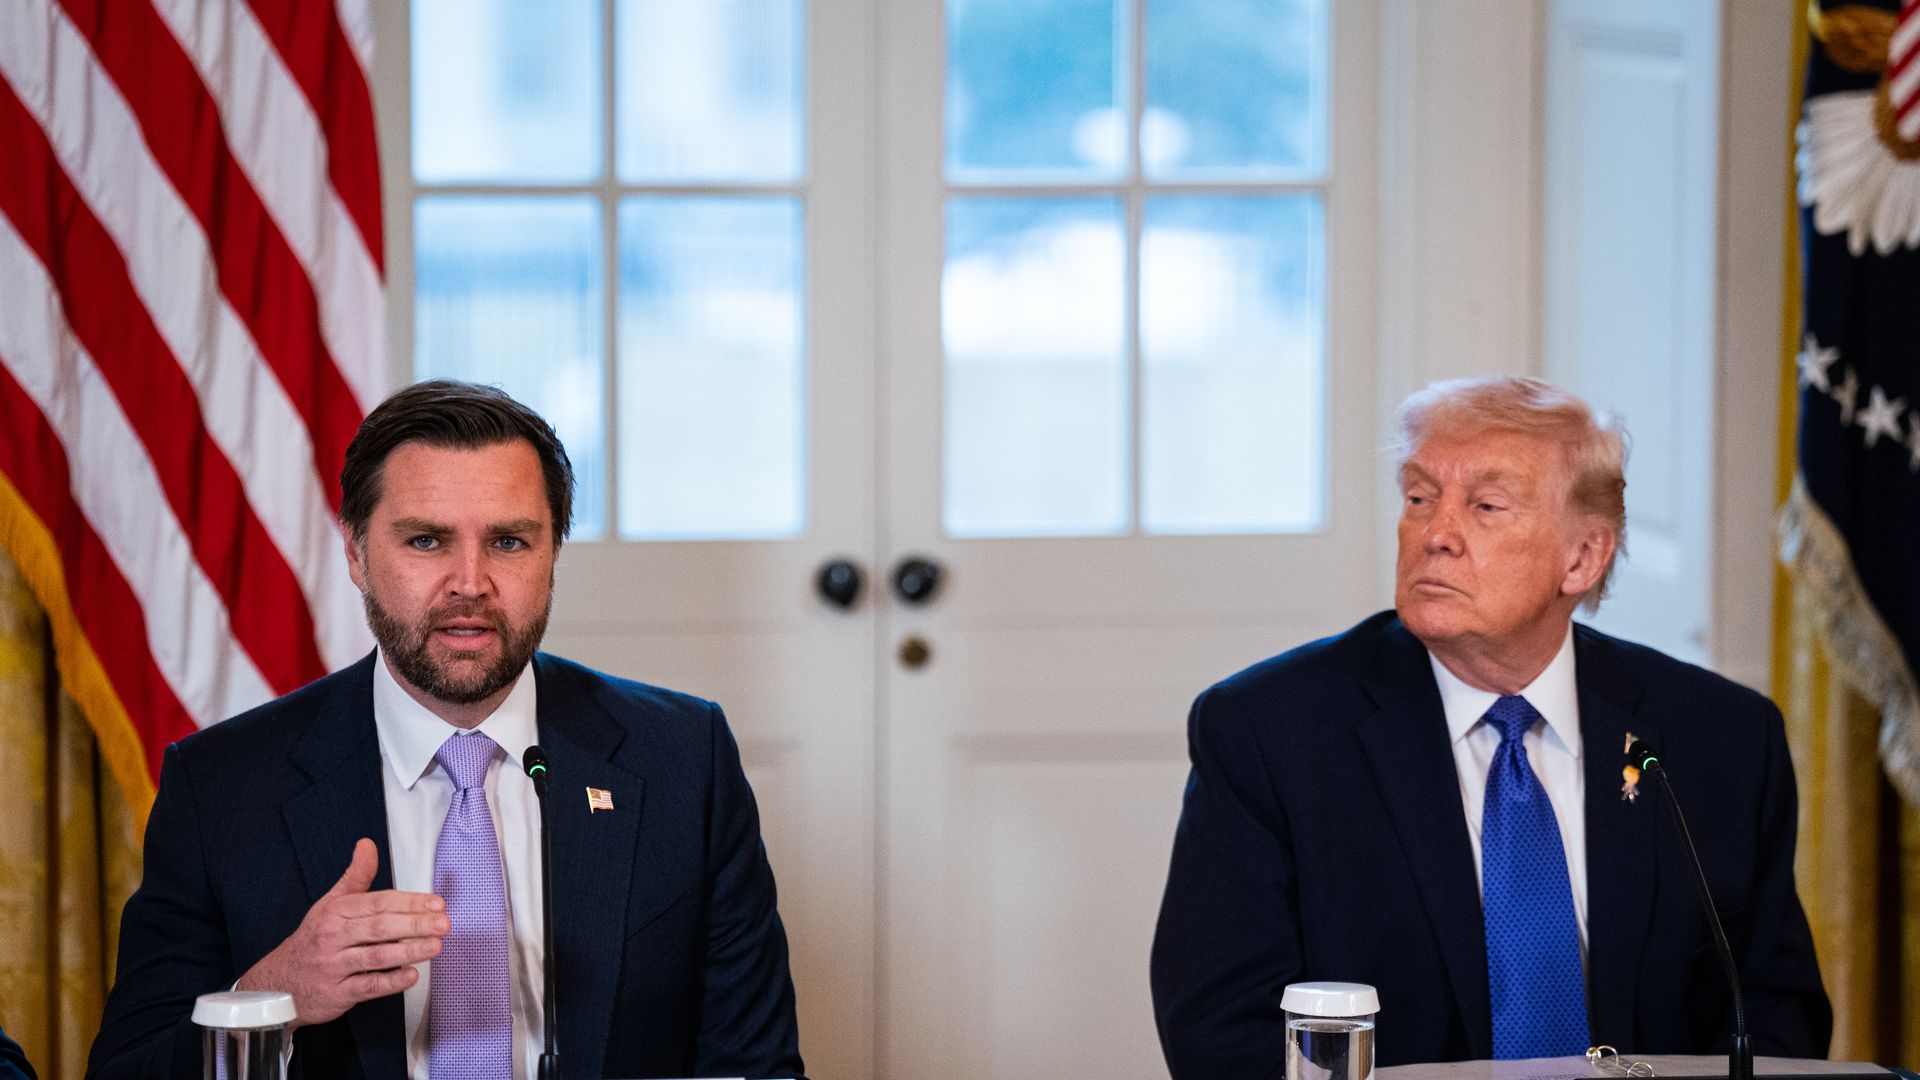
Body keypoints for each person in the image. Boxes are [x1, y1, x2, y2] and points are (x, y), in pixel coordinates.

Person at [88, 380, 805, 1080]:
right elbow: (126, 1069)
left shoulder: (683, 760)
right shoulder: (221, 787)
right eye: (427, 541)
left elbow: (756, 1065)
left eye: (509, 542)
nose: (470, 582)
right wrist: (271, 998)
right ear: (356, 552)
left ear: (554, 551)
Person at [1149, 376, 1831, 1075]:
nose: (1435, 534)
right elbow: (1221, 1033)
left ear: (1583, 557)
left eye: (1485, 506)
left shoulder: (1722, 737)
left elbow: (1776, 1017)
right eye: (1419, 498)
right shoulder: (1271, 733)